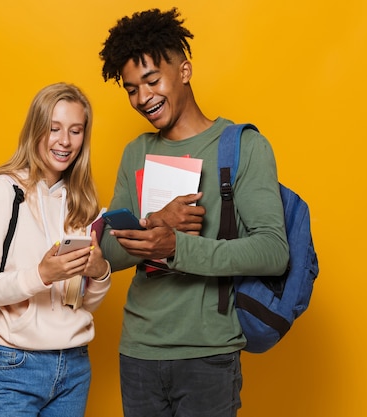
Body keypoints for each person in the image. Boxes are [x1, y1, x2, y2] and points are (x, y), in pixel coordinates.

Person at [98, 8, 289, 417]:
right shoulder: (137, 151)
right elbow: (109, 256)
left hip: (208, 354)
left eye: (152, 80)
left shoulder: (244, 146)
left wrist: (177, 246)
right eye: (131, 89)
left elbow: (273, 250)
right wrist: (158, 222)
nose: (143, 98)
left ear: (184, 70)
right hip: (138, 353)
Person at [0, 82, 111, 417]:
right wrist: (42, 275)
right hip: (14, 365)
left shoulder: (82, 203)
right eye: (54, 128)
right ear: (36, 130)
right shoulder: (3, 191)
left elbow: (83, 302)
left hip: (74, 366)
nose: (65, 141)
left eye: (75, 131)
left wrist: (99, 272)